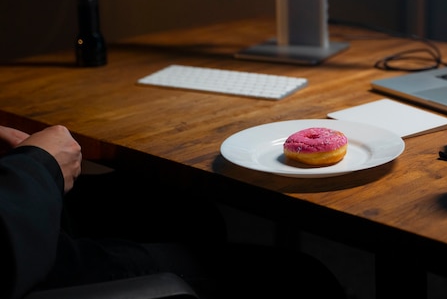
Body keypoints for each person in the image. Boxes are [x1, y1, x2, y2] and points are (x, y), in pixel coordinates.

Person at [0, 124, 347, 299]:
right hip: (27, 256)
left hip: (19, 199)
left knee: (189, 212)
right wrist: (40, 166)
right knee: (303, 278)